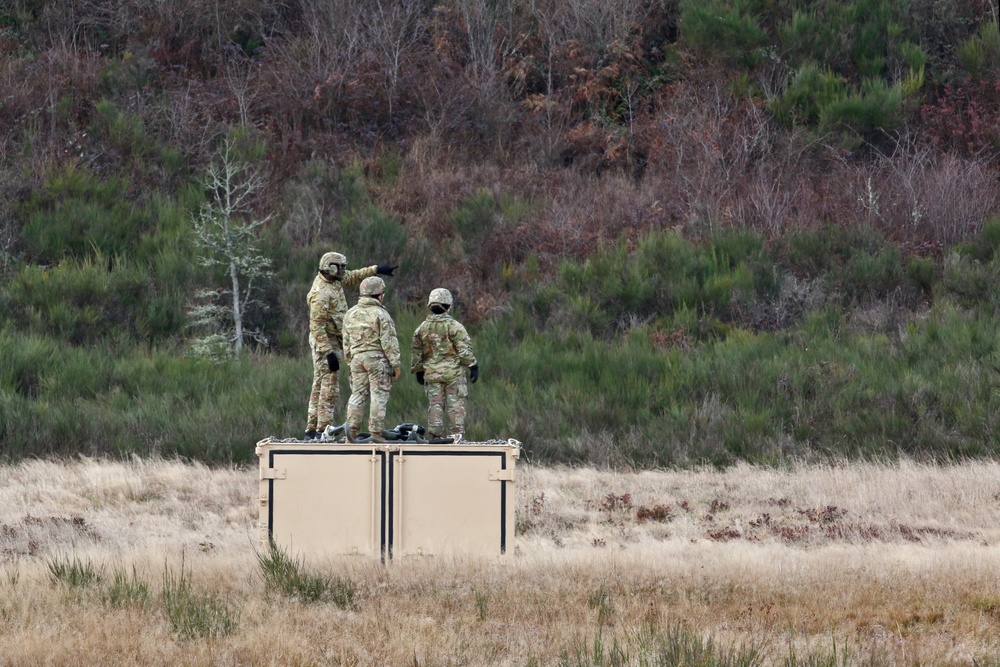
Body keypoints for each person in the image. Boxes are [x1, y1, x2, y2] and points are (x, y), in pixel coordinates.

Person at [305, 252, 397, 440]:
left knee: (323, 384)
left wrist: (376, 269)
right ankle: (322, 429)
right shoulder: (321, 294)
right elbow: (316, 326)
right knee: (328, 387)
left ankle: (313, 428)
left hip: (335, 340)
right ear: (331, 268)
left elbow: (352, 277)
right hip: (325, 342)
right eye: (341, 267)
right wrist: (327, 352)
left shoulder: (334, 281)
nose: (344, 271)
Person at [410, 288, 478, 440]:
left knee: (435, 405)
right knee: (455, 405)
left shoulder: (421, 328)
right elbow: (464, 351)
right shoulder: (455, 327)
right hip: (453, 375)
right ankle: (456, 437)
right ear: (448, 306)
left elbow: (416, 352)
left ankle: (436, 437)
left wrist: (418, 370)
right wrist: (473, 366)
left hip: (432, 375)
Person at [343, 276, 401, 440]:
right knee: (379, 394)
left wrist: (350, 359)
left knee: (357, 394)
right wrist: (395, 365)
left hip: (356, 359)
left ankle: (351, 432)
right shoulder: (381, 314)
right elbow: (389, 342)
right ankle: (375, 432)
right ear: (380, 295)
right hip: (377, 359)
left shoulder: (350, 313)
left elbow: (345, 341)